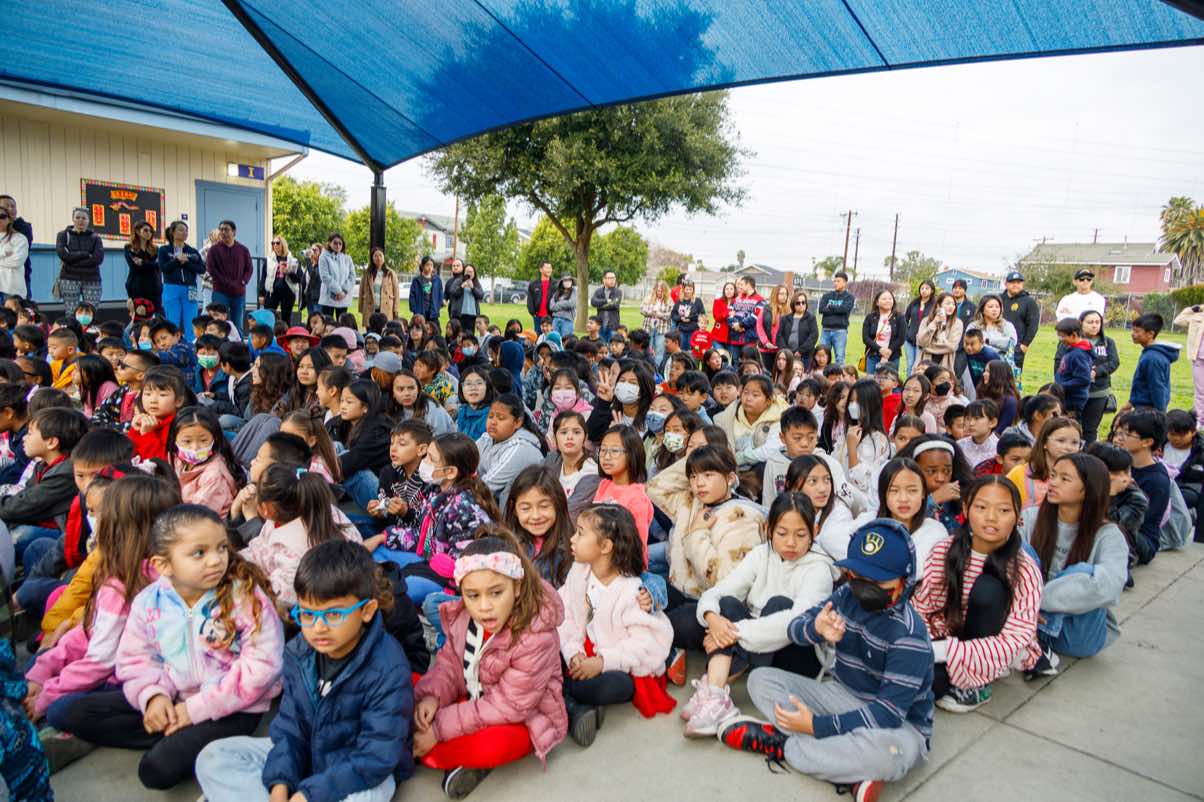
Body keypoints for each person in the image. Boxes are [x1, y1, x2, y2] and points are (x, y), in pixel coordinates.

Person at [58, 505, 283, 790]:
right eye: (199, 553)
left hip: (231, 707)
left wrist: (195, 710)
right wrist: (154, 697)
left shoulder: (244, 596)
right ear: (163, 565)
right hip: (174, 694)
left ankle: (175, 736)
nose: (216, 560)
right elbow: (137, 659)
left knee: (156, 770)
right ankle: (172, 729)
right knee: (73, 712)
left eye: (222, 548)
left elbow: (261, 668)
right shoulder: (149, 601)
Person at [720, 518, 932, 802]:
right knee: (760, 680)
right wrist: (815, 629)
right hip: (841, 694)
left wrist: (816, 726)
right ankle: (845, 764)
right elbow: (795, 628)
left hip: (899, 725)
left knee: (889, 756)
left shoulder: (909, 636)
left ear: (904, 580)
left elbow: (888, 714)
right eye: (859, 576)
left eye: (879, 581)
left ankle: (784, 745)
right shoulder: (847, 595)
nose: (866, 587)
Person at [196, 540, 412, 802]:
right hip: (307, 754)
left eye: (334, 615)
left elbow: (376, 756)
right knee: (214, 757)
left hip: (355, 768)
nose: (318, 628)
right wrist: (280, 784)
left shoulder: (388, 667)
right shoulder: (298, 652)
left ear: (366, 611)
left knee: (371, 795)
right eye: (308, 615)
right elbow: (290, 729)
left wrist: (308, 795)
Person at [411, 536, 567, 798]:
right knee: (412, 687)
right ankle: (443, 751)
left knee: (494, 744)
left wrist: (438, 727)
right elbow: (449, 666)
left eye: (496, 593)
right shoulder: (464, 617)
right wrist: (432, 698)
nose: (484, 607)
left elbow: (509, 706)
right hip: (477, 697)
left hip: (521, 716)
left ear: (517, 587)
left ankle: (438, 751)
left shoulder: (535, 635)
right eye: (473, 595)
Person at [683, 493, 832, 736]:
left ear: (815, 532)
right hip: (756, 643)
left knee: (779, 604)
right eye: (782, 533)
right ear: (768, 529)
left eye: (800, 535)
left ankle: (713, 687)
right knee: (727, 604)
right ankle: (715, 694)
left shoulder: (819, 569)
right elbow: (720, 591)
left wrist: (732, 634)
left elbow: (793, 621)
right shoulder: (761, 554)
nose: (791, 543)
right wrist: (712, 618)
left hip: (799, 656)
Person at [913, 476, 1043, 711]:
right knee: (927, 682)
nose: (991, 517)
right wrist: (926, 645)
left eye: (1004, 510)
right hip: (947, 635)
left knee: (988, 589)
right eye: (981, 507)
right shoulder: (944, 550)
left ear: (1018, 516)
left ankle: (978, 682)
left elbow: (1014, 640)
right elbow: (923, 608)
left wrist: (943, 652)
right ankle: (958, 670)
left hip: (993, 643)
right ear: (966, 509)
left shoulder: (1024, 569)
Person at [558, 504, 675, 743]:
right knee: (546, 648)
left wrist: (602, 662)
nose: (572, 539)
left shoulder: (631, 591)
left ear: (605, 546)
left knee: (615, 686)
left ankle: (568, 696)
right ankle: (574, 697)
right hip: (582, 646)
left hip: (618, 659)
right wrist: (573, 652)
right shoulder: (579, 572)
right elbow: (565, 613)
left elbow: (645, 644)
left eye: (580, 533)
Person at [1023, 453, 1128, 666]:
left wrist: (1034, 603)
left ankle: (1037, 634)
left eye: (1065, 478)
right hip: (1025, 622)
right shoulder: (1031, 518)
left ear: (1088, 488)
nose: (1053, 482)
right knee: (1017, 549)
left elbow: (1110, 586)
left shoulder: (1108, 535)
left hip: (1074, 635)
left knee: (1085, 572)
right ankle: (1033, 638)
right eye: (1053, 475)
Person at [1113, 409, 1169, 565]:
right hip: (1118, 521)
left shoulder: (1157, 481)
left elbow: (1135, 521)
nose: (1120, 438)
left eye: (1127, 434)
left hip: (1140, 538)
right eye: (1120, 432)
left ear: (1147, 442)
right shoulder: (1122, 464)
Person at [168, 406, 240, 517]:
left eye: (203, 440)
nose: (195, 447)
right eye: (187, 441)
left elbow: (195, 514)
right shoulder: (177, 460)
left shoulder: (214, 475)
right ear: (174, 440)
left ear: (214, 439)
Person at [477, 393, 545, 508]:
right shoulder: (486, 438)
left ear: (517, 422)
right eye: (490, 416)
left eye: (501, 418)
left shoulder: (521, 448)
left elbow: (486, 487)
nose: (493, 422)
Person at [1006, 416, 1082, 510]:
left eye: (1074, 442)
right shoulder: (1019, 473)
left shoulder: (1081, 476)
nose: (1068, 447)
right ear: (1044, 442)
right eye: (1061, 441)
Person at [205, 220, 253, 336]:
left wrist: (243, 281)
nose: (223, 232)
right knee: (219, 323)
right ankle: (220, 345)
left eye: (226, 229)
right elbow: (211, 269)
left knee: (238, 324)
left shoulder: (243, 250)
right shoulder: (214, 250)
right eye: (221, 230)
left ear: (234, 232)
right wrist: (225, 282)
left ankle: (238, 345)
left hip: (239, 293)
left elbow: (249, 268)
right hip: (220, 292)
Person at [1125, 313, 1179, 412]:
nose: (1132, 334)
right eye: (1133, 330)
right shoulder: (1149, 353)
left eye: (1137, 331)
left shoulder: (1152, 358)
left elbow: (1157, 388)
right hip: (1143, 408)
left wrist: (1161, 415)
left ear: (1150, 334)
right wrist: (1130, 403)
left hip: (1149, 412)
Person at [55, 207, 105, 313]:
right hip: (69, 278)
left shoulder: (96, 238)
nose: (80, 220)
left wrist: (72, 260)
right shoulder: (63, 235)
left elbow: (98, 259)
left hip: (92, 279)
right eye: (77, 217)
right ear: (72, 219)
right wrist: (86, 254)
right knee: (71, 312)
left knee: (91, 311)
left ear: (88, 220)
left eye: (84, 218)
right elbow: (63, 255)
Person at [1053, 317, 1094, 421]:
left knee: (1068, 426)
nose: (1060, 339)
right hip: (1066, 398)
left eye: (1062, 336)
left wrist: (1061, 386)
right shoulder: (1072, 351)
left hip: (1072, 401)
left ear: (1074, 335)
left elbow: (1084, 379)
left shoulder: (1078, 355)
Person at [261, 235, 306, 326]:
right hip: (272, 291)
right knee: (268, 317)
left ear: (283, 244)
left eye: (277, 243)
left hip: (288, 292)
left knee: (286, 319)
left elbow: (299, 278)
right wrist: (261, 294)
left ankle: (285, 334)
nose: (275, 245)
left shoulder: (293, 261)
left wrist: (289, 272)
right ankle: (269, 334)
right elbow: (263, 277)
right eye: (273, 243)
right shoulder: (269, 260)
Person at [1001, 271, 1040, 376]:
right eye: (1012, 282)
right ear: (1006, 284)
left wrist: (1024, 345)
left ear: (1022, 284)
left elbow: (1033, 325)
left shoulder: (1029, 302)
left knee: (1012, 378)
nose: (1015, 285)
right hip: (996, 344)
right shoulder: (998, 300)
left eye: (1018, 282)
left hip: (1016, 347)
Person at [1174, 303, 1204, 428]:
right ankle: (1200, 421)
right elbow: (1178, 321)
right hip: (1198, 358)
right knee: (1200, 392)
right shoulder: (1198, 316)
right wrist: (1191, 309)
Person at [916, 292, 963, 373]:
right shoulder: (926, 320)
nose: (951, 306)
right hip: (925, 363)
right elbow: (921, 342)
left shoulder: (957, 323)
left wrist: (926, 348)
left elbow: (951, 347)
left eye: (953, 304)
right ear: (938, 305)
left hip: (945, 365)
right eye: (948, 303)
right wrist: (934, 323)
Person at [860, 289, 904, 375]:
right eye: (884, 299)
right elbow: (865, 338)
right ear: (877, 302)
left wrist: (888, 352)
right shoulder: (870, 317)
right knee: (871, 381)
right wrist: (880, 349)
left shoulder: (899, 317)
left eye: (890, 298)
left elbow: (901, 339)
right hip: (873, 356)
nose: (888, 301)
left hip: (892, 357)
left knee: (890, 381)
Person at [122, 220, 161, 316]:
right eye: (146, 230)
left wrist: (143, 263)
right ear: (138, 231)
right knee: (139, 316)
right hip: (136, 286)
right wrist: (151, 265)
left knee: (156, 317)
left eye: (151, 231)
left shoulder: (155, 249)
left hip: (153, 286)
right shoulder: (129, 247)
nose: (149, 233)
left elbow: (159, 266)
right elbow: (134, 267)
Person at [817, 271, 855, 366]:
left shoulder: (849, 297)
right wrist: (837, 309)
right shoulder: (827, 296)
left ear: (845, 283)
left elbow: (844, 309)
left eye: (838, 281)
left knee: (840, 357)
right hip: (825, 331)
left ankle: (839, 375)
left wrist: (830, 306)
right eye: (834, 281)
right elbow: (821, 309)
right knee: (822, 356)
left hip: (840, 331)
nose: (835, 283)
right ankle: (823, 374)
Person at [0, 194, 32, 298]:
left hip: (17, 280)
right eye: (7, 206)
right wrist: (4, 253)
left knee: (20, 305)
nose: (11, 209)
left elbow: (17, 259)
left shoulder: (23, 228)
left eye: (13, 206)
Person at [318, 232, 356, 320]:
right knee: (328, 323)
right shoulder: (323, 257)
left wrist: (344, 291)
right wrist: (338, 291)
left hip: (343, 298)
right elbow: (325, 277)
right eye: (335, 243)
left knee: (342, 323)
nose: (338, 245)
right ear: (329, 243)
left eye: (340, 243)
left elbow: (352, 276)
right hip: (328, 298)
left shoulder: (348, 258)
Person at [903, 280, 936, 376]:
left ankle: (917, 382)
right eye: (922, 288)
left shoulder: (934, 305)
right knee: (910, 364)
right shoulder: (914, 303)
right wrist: (907, 332)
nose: (924, 290)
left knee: (918, 365)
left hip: (923, 341)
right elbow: (905, 318)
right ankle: (908, 383)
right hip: (909, 340)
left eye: (927, 288)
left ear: (932, 290)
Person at [357, 247, 400, 322]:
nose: (378, 258)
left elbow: (396, 292)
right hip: (370, 308)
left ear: (384, 257)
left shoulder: (391, 273)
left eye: (380, 255)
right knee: (371, 327)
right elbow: (361, 291)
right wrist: (361, 307)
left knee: (385, 327)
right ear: (372, 258)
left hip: (386, 308)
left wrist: (396, 309)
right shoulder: (367, 273)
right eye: (375, 256)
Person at [777, 292, 818, 366]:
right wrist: (786, 351)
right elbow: (779, 336)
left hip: (805, 356)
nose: (801, 305)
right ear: (793, 304)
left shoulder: (811, 318)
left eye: (803, 302)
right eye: (798, 303)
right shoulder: (785, 319)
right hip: (787, 356)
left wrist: (800, 351)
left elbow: (813, 336)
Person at [447, 263, 486, 334]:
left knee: (469, 335)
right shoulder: (458, 281)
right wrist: (461, 287)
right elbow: (452, 292)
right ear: (464, 272)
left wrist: (473, 288)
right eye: (467, 271)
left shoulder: (476, 283)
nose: (468, 273)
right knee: (458, 334)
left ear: (474, 273)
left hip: (472, 315)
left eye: (470, 272)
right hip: (459, 314)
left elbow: (481, 295)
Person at [639, 280, 672, 365]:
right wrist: (650, 312)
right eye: (658, 290)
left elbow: (671, 314)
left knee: (659, 351)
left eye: (661, 291)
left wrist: (661, 315)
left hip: (662, 329)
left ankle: (656, 369)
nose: (659, 293)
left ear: (665, 291)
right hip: (648, 328)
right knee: (647, 349)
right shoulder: (649, 298)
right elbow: (641, 309)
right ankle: (646, 367)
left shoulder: (669, 300)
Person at [591, 271, 622, 342]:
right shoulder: (598, 291)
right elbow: (593, 302)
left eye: (613, 278)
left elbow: (614, 305)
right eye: (610, 278)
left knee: (612, 345)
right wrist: (606, 301)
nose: (612, 280)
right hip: (600, 325)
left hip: (613, 326)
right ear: (604, 279)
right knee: (600, 345)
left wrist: (599, 306)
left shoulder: (618, 291)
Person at [711, 282, 738, 362]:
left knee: (731, 361)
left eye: (731, 289)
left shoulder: (738, 302)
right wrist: (728, 313)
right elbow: (717, 317)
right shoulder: (718, 301)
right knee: (721, 358)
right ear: (724, 291)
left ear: (734, 291)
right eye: (727, 289)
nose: (729, 291)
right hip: (718, 336)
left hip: (732, 337)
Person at [526, 260, 556, 330]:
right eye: (547, 268)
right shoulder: (533, 284)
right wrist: (533, 313)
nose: (549, 270)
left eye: (550, 268)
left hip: (551, 317)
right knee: (538, 336)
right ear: (540, 269)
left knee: (551, 336)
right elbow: (530, 301)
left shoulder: (556, 284)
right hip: (538, 318)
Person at [302, 242, 323, 317]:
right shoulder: (310, 264)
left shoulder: (321, 265)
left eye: (315, 250)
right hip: (309, 297)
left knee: (317, 318)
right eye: (311, 250)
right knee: (311, 319)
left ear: (320, 252)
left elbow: (313, 275)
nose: (312, 252)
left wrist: (307, 259)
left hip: (317, 298)